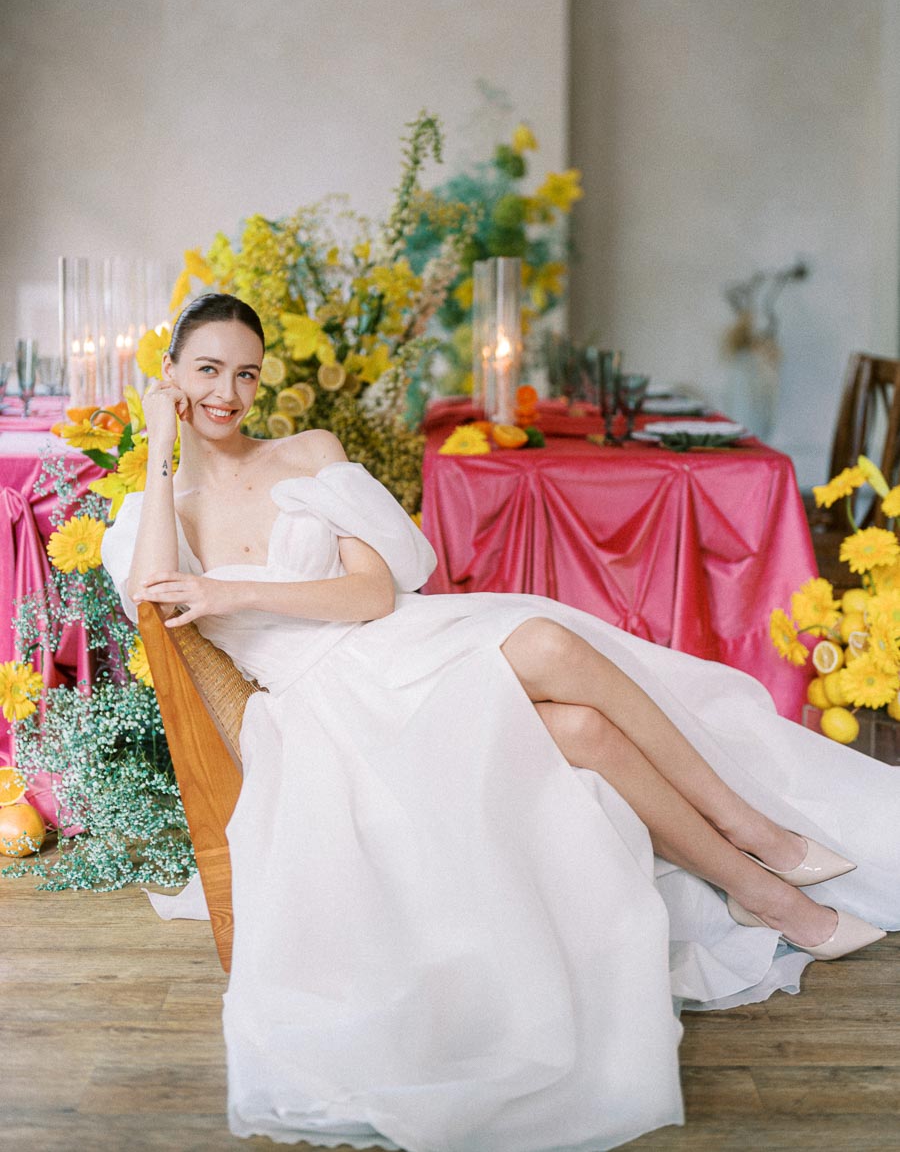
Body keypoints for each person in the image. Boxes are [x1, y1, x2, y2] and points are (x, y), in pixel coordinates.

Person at [102, 292, 900, 1152]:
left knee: (554, 642)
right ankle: (764, 890)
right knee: (585, 735)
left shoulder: (308, 453)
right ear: (173, 378)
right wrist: (158, 451)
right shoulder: (156, 513)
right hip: (328, 709)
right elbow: (153, 597)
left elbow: (374, 595)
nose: (228, 392)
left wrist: (231, 590)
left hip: (394, 642)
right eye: (209, 370)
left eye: (246, 373)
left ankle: (757, 836)